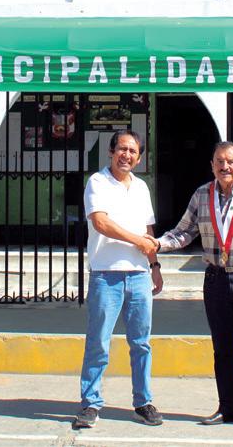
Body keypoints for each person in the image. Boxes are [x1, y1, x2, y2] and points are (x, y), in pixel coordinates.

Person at [152, 141, 233, 432]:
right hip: (215, 278)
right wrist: (158, 244)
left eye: (231, 162)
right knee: (222, 348)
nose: (225, 167)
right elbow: (184, 232)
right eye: (220, 162)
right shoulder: (202, 194)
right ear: (212, 165)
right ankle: (228, 408)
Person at [73, 129, 164, 430]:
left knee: (141, 343)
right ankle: (90, 403)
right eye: (122, 149)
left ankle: (143, 402)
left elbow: (148, 231)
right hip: (106, 275)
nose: (126, 155)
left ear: (139, 158)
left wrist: (154, 264)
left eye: (133, 151)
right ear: (111, 152)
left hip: (139, 276)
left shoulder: (141, 187)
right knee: (98, 342)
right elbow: (101, 223)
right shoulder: (97, 182)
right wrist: (137, 241)